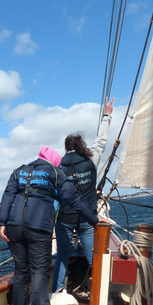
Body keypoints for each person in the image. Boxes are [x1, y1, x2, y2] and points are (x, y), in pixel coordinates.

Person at [0, 146, 104, 305]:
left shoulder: (18, 171)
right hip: (38, 228)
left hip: (13, 227)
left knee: (21, 273)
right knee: (39, 273)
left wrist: (2, 223)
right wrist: (93, 219)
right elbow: (74, 199)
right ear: (53, 162)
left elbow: (8, 196)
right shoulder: (55, 173)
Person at [52, 97, 114, 294]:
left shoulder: (58, 167)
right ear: (80, 146)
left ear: (65, 148)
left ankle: (57, 294)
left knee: (62, 255)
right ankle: (99, 294)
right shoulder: (90, 160)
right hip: (87, 218)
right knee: (92, 255)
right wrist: (107, 116)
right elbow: (101, 142)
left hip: (64, 219)